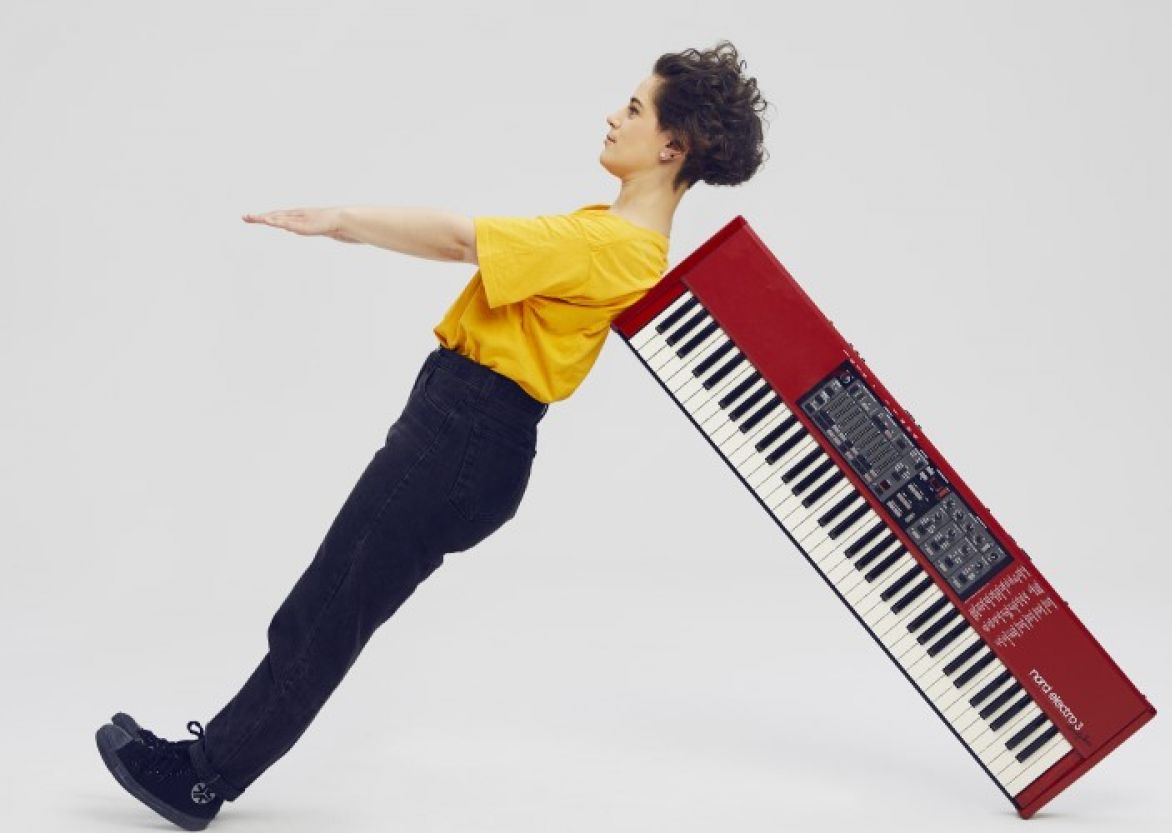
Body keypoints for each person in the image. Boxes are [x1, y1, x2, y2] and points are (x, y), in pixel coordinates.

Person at [94, 39, 770, 830]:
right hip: (464, 428)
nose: (612, 116)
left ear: (671, 145)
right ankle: (209, 762)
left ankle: (202, 777)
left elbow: (461, 239)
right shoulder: (615, 235)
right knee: (334, 599)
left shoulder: (614, 245)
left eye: (632, 107)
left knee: (328, 607)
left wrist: (339, 219)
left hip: (466, 431)